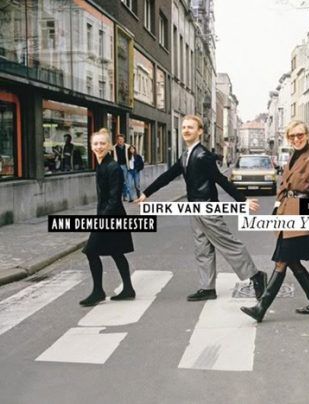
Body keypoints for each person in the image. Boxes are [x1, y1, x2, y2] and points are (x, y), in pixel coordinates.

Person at [136, 115, 267, 301]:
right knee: (202, 248)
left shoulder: (203, 155)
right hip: (194, 208)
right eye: (183, 127)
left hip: (207, 208)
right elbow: (167, 176)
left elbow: (220, 180)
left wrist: (242, 200)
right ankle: (207, 288)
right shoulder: (186, 155)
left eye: (190, 127)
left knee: (227, 244)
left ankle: (256, 276)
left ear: (200, 131)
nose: (186, 130)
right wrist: (146, 194)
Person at [240, 120, 309, 322]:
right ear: (288, 138)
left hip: (302, 216)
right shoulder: (294, 156)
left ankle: (261, 307)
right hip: (287, 215)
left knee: (282, 260)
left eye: (300, 135)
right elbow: (284, 187)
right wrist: (276, 209)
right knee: (292, 261)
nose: (297, 139)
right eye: (292, 136)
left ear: (307, 135)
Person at [80, 128, 135, 306]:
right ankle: (128, 289)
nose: (99, 146)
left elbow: (113, 198)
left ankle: (98, 292)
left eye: (102, 143)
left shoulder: (113, 168)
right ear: (91, 146)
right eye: (95, 143)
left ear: (109, 146)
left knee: (91, 251)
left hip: (111, 216)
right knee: (116, 252)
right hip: (110, 215)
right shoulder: (102, 164)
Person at [113, 134, 131, 201]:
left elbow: (132, 155)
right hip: (117, 166)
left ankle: (125, 196)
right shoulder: (113, 148)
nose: (120, 141)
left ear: (124, 140)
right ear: (117, 140)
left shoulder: (128, 147)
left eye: (121, 139)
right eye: (119, 140)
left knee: (125, 182)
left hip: (125, 166)